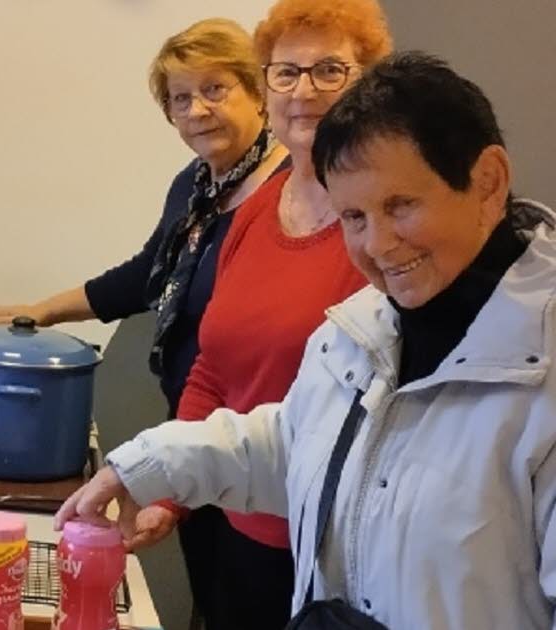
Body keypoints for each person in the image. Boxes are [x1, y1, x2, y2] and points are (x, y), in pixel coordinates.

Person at [59, 51, 556, 630]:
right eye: (353, 217)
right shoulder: (360, 327)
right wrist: (148, 465)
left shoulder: (539, 374)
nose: (379, 245)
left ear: (488, 181)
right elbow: (302, 444)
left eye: (401, 206)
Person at [0, 18, 287, 417]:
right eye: (180, 98)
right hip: (191, 418)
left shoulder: (293, 191)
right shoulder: (194, 187)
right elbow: (148, 273)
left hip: (256, 426)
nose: (196, 110)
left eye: (214, 89)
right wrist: (43, 311)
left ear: (258, 93)